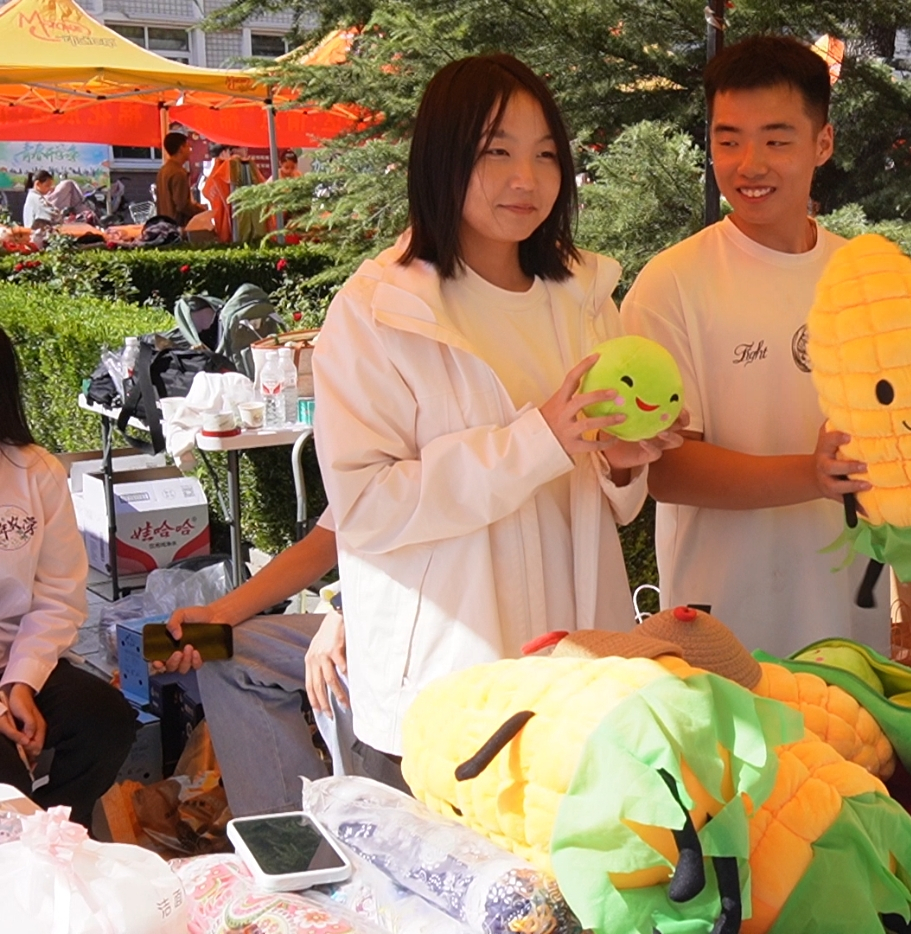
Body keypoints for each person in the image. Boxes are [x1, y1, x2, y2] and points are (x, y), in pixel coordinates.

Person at [313, 53, 682, 765]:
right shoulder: (379, 312)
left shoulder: (580, 297)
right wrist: (537, 442)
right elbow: (365, 506)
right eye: (496, 152)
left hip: (580, 673)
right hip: (449, 683)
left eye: (545, 155)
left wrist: (618, 463)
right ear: (442, 159)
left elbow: (608, 501)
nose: (527, 179)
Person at [621, 35, 889, 657]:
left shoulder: (867, 278)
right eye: (728, 140)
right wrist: (811, 474)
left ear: (823, 142)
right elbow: (665, 468)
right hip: (723, 617)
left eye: (776, 140)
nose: (749, 164)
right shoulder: (672, 284)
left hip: (853, 604)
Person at [149, 513, 395, 816]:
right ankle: (286, 832)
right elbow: (323, 542)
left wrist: (343, 613)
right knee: (229, 655)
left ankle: (364, 822)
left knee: (335, 664)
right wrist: (218, 615)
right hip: (366, 612)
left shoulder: (426, 480)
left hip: (429, 627)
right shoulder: (355, 484)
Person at [0, 326, 137, 826]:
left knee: (105, 721)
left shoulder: (33, 471)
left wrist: (22, 681)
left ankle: (61, 836)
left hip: (17, 656)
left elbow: (58, 594)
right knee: (5, 772)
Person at [156, 131, 206, 224]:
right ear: (181, 148)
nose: (190, 150)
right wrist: (201, 211)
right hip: (177, 225)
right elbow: (182, 205)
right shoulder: (179, 173)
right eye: (188, 146)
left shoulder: (163, 170)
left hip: (164, 223)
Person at [21, 171, 90, 228]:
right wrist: (62, 215)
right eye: (47, 185)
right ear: (38, 184)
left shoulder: (32, 197)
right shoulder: (36, 199)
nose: (50, 189)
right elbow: (53, 215)